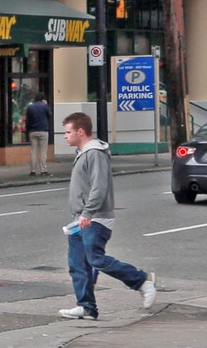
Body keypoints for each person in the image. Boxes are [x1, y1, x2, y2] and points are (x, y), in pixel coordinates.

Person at [60, 111, 156, 320]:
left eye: (68, 132)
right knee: (78, 263)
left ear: (81, 131)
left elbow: (99, 187)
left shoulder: (94, 153)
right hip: (81, 218)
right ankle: (86, 306)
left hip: (95, 217)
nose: (65, 136)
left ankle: (141, 281)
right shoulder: (84, 152)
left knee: (96, 259)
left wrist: (88, 212)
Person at [23, 95, 54, 177]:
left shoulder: (30, 107)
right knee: (43, 152)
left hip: (32, 131)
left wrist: (28, 130)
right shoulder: (45, 106)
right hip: (43, 130)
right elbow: (50, 115)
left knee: (33, 152)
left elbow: (27, 120)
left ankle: (32, 171)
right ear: (43, 99)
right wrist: (46, 104)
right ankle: (43, 170)